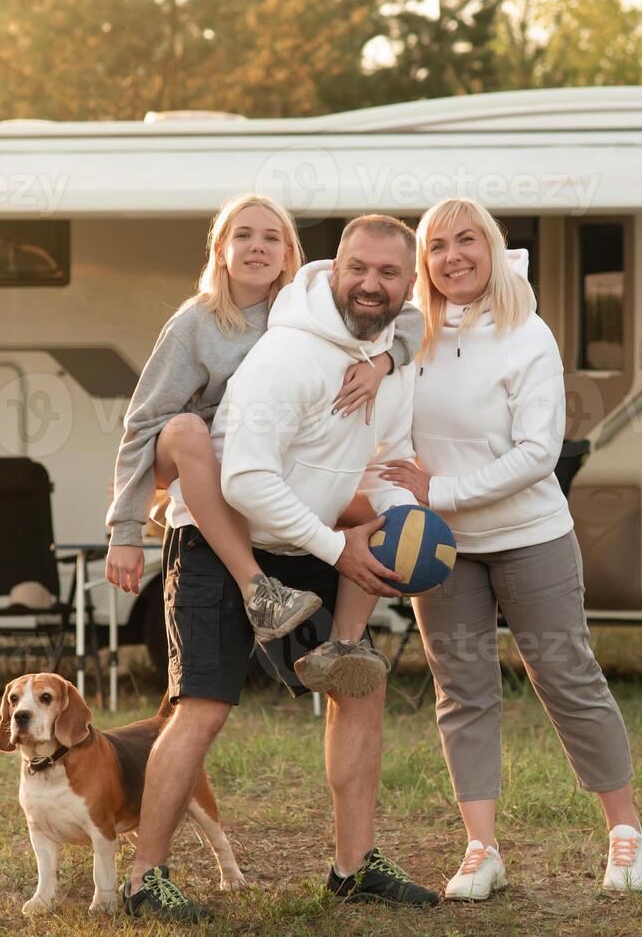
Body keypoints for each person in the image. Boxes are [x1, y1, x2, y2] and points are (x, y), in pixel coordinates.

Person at [121, 214, 442, 921]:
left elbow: (385, 462)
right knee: (201, 707)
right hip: (222, 539)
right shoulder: (286, 357)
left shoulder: (391, 362)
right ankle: (145, 877)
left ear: (406, 284)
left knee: (358, 689)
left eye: (389, 273)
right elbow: (246, 483)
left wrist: (396, 519)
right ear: (332, 270)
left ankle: (352, 867)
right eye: (358, 268)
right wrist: (340, 551)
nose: (370, 283)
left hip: (311, 536)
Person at [382, 197, 642, 900]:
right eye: (436, 245)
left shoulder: (527, 333)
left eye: (466, 240)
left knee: (564, 675)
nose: (452, 256)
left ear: (491, 249)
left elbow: (537, 454)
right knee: (461, 690)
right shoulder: (409, 335)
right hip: (441, 549)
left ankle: (623, 831)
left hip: (529, 534)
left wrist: (439, 491)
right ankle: (480, 848)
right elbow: (387, 424)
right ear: (423, 261)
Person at [104, 194, 420, 695]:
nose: (258, 247)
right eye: (244, 236)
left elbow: (407, 317)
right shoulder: (195, 324)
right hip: (183, 456)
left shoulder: (299, 310)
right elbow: (142, 423)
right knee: (187, 429)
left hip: (246, 469)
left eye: (272, 237)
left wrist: (383, 363)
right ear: (220, 250)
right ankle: (256, 588)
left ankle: (344, 647)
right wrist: (125, 529)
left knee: (366, 513)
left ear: (290, 251)